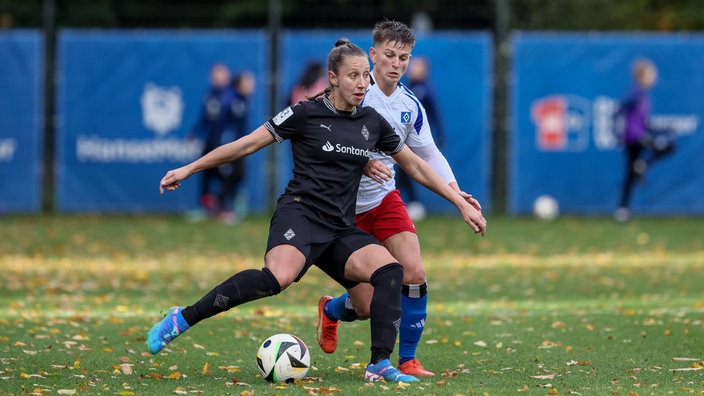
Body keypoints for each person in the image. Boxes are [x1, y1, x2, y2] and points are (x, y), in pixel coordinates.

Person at [147, 38, 487, 384]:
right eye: (353, 76)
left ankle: (379, 365)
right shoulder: (304, 113)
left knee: (391, 271)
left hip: (341, 226)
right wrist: (189, 169)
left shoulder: (371, 122)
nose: (362, 83)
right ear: (333, 78)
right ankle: (182, 317)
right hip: (302, 215)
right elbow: (246, 144)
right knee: (275, 279)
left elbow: (415, 165)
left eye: (365, 76)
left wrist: (460, 202)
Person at [316, 20, 483, 377]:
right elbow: (322, 141)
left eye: (404, 57)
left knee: (415, 272)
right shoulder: (353, 92)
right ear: (373, 54)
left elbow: (429, 155)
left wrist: (457, 195)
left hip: (384, 200)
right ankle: (331, 311)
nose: (396, 63)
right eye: (389, 55)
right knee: (365, 307)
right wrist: (362, 162)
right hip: (344, 210)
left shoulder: (410, 105)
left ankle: (407, 359)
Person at [188, 64, 255, 224]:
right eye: (249, 82)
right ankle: (212, 207)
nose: (252, 85)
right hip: (219, 143)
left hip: (236, 145)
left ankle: (224, 206)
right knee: (208, 174)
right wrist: (196, 133)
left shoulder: (236, 98)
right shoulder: (220, 96)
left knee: (234, 175)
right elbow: (211, 119)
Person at [614, 58, 675, 222]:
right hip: (634, 139)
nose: (654, 78)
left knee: (630, 173)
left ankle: (622, 209)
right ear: (642, 76)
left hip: (640, 137)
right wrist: (618, 134)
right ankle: (643, 165)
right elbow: (618, 110)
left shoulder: (643, 95)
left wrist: (664, 129)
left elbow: (644, 123)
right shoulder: (635, 93)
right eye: (651, 74)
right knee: (667, 147)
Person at [395, 55, 446, 217]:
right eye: (412, 66)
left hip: (417, 138)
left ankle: (412, 203)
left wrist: (440, 135)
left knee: (406, 170)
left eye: (417, 67)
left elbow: (436, 115)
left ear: (424, 71)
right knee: (403, 171)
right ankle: (409, 203)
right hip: (404, 137)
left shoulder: (426, 90)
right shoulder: (406, 87)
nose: (412, 69)